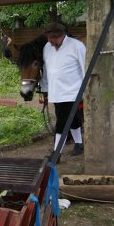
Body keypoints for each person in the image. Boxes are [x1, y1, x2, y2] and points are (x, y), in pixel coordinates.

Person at [42, 22, 86, 161]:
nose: (50, 41)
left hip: (73, 91)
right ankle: (79, 143)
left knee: (61, 122)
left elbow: (85, 67)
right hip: (55, 91)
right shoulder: (47, 47)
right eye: (48, 37)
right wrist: (44, 87)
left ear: (62, 35)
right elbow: (47, 70)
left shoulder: (76, 46)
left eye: (53, 38)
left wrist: (86, 91)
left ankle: (57, 153)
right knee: (72, 119)